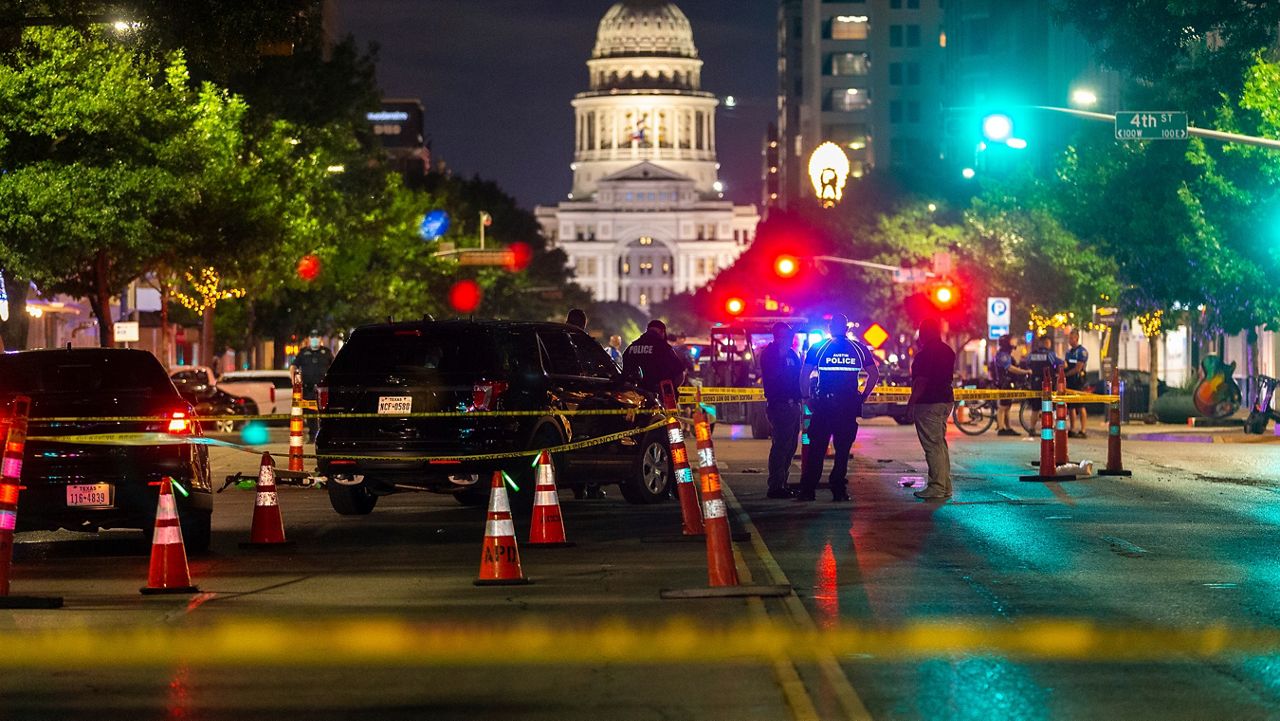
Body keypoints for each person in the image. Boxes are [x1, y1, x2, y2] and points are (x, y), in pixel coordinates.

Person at [795, 313, 879, 502]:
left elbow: (805, 374)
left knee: (817, 448)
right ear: (847, 328)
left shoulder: (819, 347)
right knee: (842, 451)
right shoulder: (859, 348)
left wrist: (807, 397)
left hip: (824, 405)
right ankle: (838, 490)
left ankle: (808, 491)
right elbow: (874, 375)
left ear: (831, 328)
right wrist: (863, 396)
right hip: (848, 406)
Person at [910, 317, 956, 500]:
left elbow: (921, 381)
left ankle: (937, 487)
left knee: (933, 446)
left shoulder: (925, 354)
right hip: (945, 400)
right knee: (940, 445)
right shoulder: (948, 351)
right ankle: (945, 485)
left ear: (924, 333)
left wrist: (911, 403)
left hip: (929, 402)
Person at [759, 322, 802, 499]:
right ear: (778, 335)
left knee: (790, 447)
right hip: (780, 405)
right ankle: (775, 486)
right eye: (787, 335)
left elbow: (798, 376)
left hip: (794, 405)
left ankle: (783, 483)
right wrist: (783, 355)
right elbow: (773, 376)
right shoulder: (770, 353)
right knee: (780, 447)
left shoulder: (792, 353)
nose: (791, 338)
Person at [622, 319, 687, 395]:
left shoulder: (632, 347)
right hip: (659, 397)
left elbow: (625, 371)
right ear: (661, 332)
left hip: (635, 395)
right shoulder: (663, 348)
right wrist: (668, 390)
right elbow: (680, 374)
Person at [291, 330, 333, 437]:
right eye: (312, 337)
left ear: (320, 339)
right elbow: (293, 366)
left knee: (325, 413)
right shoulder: (303, 352)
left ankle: (325, 435)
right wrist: (293, 380)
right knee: (310, 414)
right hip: (308, 389)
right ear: (309, 339)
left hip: (323, 390)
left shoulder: (326, 352)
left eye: (317, 337)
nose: (314, 339)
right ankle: (312, 435)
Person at [990, 335, 1032, 436]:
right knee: (1003, 406)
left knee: (1007, 406)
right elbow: (1010, 368)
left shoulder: (1007, 354)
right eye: (1012, 341)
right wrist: (1024, 371)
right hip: (1004, 383)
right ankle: (1001, 428)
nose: (1014, 343)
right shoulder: (1002, 355)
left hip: (1007, 383)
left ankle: (1007, 427)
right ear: (1006, 343)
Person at [1064, 328, 1090, 438]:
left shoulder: (1082, 352)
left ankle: (1083, 430)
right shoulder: (1069, 352)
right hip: (1070, 382)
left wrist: (1065, 374)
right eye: (1069, 338)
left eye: (1071, 338)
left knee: (1080, 405)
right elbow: (1066, 364)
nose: (1069, 340)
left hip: (1078, 382)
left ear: (1077, 338)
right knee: (1071, 407)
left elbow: (1078, 368)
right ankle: (1072, 428)